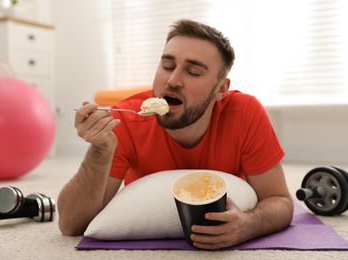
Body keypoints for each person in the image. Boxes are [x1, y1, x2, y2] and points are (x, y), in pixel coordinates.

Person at [58, 19, 293, 250]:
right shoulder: (126, 120)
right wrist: (100, 150)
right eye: (167, 66)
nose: (172, 80)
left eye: (192, 71)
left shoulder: (245, 113)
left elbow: (280, 202)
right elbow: (70, 225)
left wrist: (248, 225)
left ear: (221, 89)